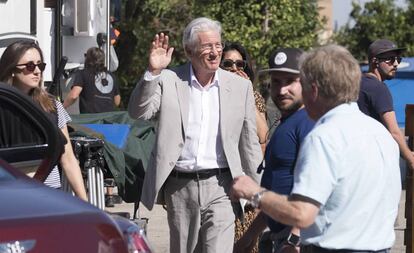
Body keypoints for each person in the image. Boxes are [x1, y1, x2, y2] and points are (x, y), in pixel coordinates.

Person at [231, 45, 401, 252]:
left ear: (314, 88)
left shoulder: (324, 136)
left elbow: (303, 214)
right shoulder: (380, 132)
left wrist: (254, 192)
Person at [128, 17, 262, 253]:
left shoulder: (240, 87)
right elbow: (139, 112)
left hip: (222, 186)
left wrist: (257, 190)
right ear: (190, 51)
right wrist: (152, 72)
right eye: (207, 46)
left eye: (218, 45)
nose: (215, 52)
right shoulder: (169, 80)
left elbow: (249, 143)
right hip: (180, 187)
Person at [234, 48, 314, 253]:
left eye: (290, 81)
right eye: (276, 81)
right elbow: (274, 194)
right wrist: (250, 235)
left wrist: (294, 239)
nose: (281, 90)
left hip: (299, 242)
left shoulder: (308, 125)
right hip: (279, 237)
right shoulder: (286, 123)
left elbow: (316, 188)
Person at [0, 40, 87, 201]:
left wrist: (86, 203)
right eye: (30, 66)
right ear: (12, 70)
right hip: (10, 196)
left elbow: (68, 158)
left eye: (40, 66)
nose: (37, 72)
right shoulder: (3, 107)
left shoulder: (52, 105)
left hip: (49, 194)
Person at [357, 38, 414, 170]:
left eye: (398, 60)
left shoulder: (358, 83)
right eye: (390, 59)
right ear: (374, 61)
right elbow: (394, 132)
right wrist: (411, 160)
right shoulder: (378, 88)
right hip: (372, 162)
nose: (395, 64)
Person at [221, 42, 268, 154]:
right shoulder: (211, 94)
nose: (234, 68)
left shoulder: (254, 96)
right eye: (227, 64)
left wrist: (246, 94)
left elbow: (263, 136)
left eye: (239, 64)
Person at [63, 47, 121, 113]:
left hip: (90, 120)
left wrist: (63, 106)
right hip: (108, 119)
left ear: (88, 59)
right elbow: (117, 101)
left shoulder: (83, 73)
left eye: (85, 56)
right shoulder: (112, 76)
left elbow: (74, 95)